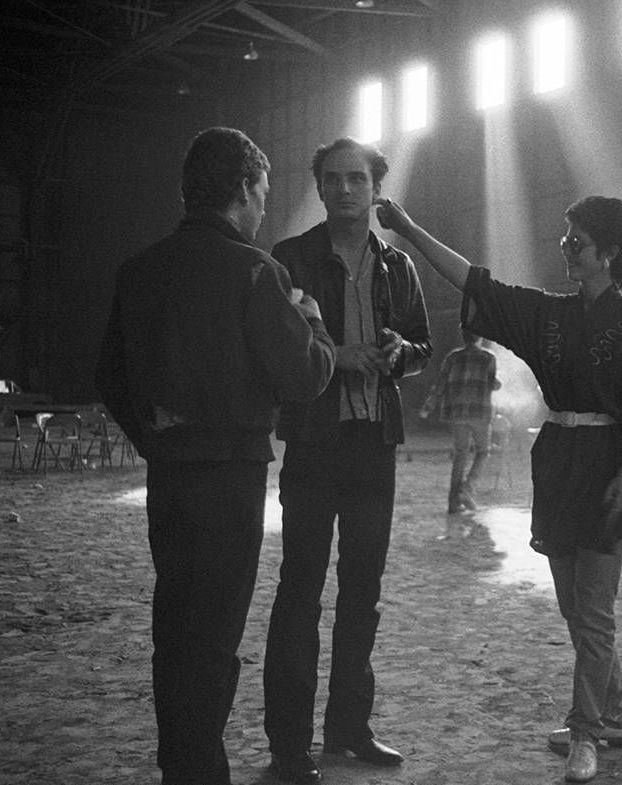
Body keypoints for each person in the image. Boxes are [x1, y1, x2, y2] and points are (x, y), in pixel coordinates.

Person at [375, 194, 622, 783]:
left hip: (610, 466)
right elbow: (477, 283)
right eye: (565, 240)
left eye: (578, 242)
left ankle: (587, 734)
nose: (566, 249)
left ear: (609, 252)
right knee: (576, 607)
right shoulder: (550, 315)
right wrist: (412, 230)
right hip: (561, 463)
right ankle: (613, 713)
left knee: (593, 612)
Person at [95, 126, 336, 785]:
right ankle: (200, 770)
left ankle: (181, 761)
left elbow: (109, 375)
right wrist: (312, 319)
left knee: (175, 624)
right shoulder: (256, 270)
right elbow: (302, 376)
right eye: (262, 194)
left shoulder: (139, 269)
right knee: (215, 634)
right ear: (244, 189)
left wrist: (154, 437)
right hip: (231, 476)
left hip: (168, 475)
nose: (264, 210)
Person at [262, 137, 432, 780]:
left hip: (373, 447)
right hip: (312, 442)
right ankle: (287, 743)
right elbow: (281, 355)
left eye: (355, 180)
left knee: (363, 594)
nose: (343, 190)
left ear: (375, 188)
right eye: (331, 180)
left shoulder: (398, 265)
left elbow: (423, 344)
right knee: (300, 592)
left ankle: (349, 729)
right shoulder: (290, 260)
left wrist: (399, 353)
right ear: (321, 187)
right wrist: (340, 362)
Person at [421, 327, 502, 513]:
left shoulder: (453, 357)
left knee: (460, 455)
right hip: (479, 412)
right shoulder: (488, 358)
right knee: (482, 452)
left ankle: (453, 503)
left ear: (463, 337)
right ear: (480, 337)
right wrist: (498, 384)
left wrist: (428, 407)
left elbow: (440, 384)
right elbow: (492, 383)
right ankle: (467, 489)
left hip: (457, 413)